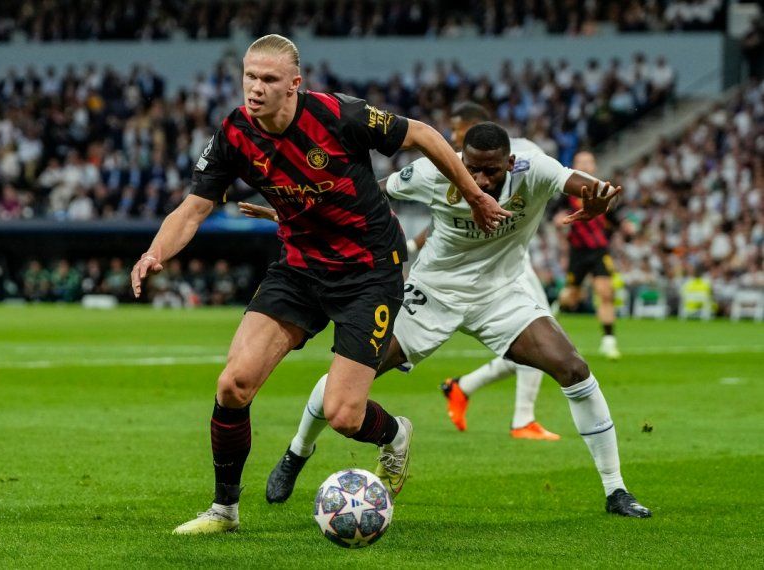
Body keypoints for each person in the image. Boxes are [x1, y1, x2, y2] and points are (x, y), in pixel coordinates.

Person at [129, 34, 510, 536]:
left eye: (268, 79)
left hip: (369, 271)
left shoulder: (339, 115)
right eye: (250, 77)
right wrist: (156, 251)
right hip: (299, 267)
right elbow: (194, 208)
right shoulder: (235, 133)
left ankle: (394, 435)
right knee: (233, 384)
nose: (256, 88)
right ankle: (224, 511)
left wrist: (474, 197)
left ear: (293, 85)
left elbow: (424, 135)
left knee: (344, 415)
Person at [247, 122, 651, 518]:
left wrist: (601, 198)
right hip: (432, 293)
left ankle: (616, 489)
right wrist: (298, 212)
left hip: (502, 295)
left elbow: (583, 184)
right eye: (471, 167)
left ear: (509, 163)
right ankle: (298, 451)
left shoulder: (534, 170)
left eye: (490, 170)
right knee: (349, 375)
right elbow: (367, 192)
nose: (479, 177)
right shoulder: (433, 172)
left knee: (574, 368)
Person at [425, 102, 561, 439]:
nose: (452, 135)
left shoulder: (525, 153)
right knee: (538, 341)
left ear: (472, 125)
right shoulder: (457, 165)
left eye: (456, 128)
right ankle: (520, 419)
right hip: (476, 268)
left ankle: (466, 389)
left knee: (538, 340)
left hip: (510, 264)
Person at [555, 151, 621, 359]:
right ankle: (555, 307)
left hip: (600, 250)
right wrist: (558, 220)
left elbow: (615, 218)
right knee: (571, 298)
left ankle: (609, 341)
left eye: (588, 162)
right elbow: (554, 215)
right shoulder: (566, 193)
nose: (584, 165)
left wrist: (626, 226)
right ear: (574, 165)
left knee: (605, 292)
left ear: (594, 166)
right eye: (580, 162)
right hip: (578, 252)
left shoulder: (603, 191)